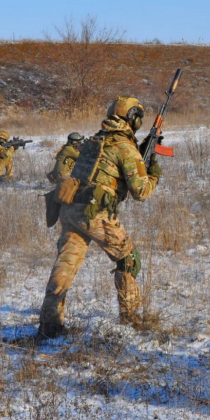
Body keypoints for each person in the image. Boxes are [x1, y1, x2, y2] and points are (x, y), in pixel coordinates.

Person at [38, 96, 162, 339]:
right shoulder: (124, 147)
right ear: (132, 118)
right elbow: (141, 192)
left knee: (64, 266)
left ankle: (49, 325)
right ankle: (131, 320)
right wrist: (153, 173)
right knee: (128, 259)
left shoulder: (96, 140)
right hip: (97, 213)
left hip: (71, 209)